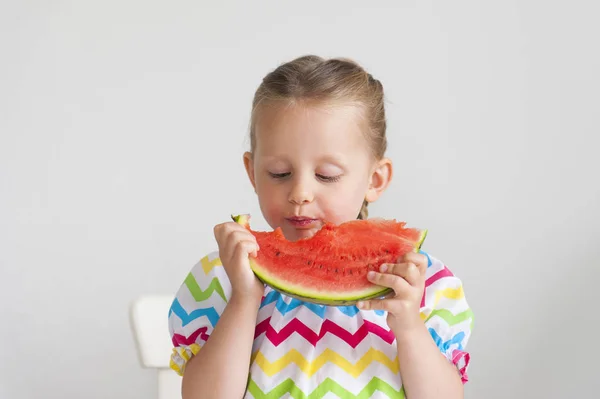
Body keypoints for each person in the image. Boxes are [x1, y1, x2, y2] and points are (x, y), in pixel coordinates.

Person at [167, 55, 474, 399]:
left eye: (326, 175)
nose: (300, 193)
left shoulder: (422, 283)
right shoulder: (219, 276)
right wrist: (244, 299)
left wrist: (410, 327)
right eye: (279, 174)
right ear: (252, 172)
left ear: (375, 179)